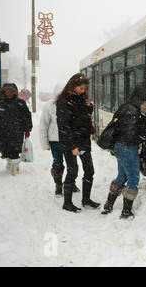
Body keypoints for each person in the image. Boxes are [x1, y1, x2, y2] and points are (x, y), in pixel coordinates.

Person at [101, 81, 146, 219]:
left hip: (119, 146)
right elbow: (132, 134)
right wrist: (144, 133)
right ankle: (126, 212)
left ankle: (108, 205)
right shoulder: (136, 110)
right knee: (133, 179)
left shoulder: (126, 106)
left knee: (122, 176)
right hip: (128, 148)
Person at [56, 73, 99, 213]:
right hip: (71, 143)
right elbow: (64, 126)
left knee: (89, 170)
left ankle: (86, 199)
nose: (83, 90)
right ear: (73, 86)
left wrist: (89, 106)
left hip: (83, 141)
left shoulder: (81, 99)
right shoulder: (64, 101)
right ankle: (67, 203)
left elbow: (84, 118)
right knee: (72, 171)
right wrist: (72, 146)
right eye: (81, 88)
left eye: (84, 88)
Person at [40, 84, 78, 197]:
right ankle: (58, 185)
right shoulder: (49, 105)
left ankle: (70, 183)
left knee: (72, 164)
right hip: (55, 140)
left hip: (69, 140)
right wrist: (45, 143)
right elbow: (43, 125)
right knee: (58, 163)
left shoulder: (72, 104)